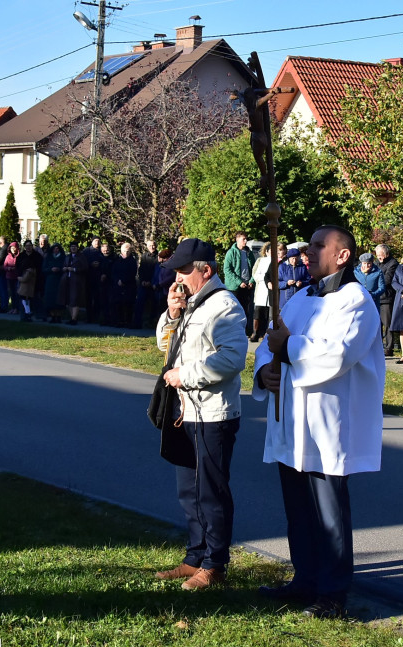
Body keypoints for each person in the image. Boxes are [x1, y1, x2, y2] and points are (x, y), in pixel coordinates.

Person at [253, 225, 385, 619]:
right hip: (292, 421)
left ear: (342, 255)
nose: (308, 251)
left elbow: (338, 355)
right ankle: (305, 579)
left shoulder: (356, 301)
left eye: (318, 245)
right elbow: (269, 341)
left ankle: (332, 593)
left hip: (328, 424)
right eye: (309, 245)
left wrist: (288, 348)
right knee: (298, 510)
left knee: (329, 516)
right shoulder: (300, 298)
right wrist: (265, 371)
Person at [154, 238, 248, 591]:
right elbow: (165, 346)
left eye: (182, 271)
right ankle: (194, 557)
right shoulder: (190, 303)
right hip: (185, 412)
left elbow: (231, 359)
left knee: (211, 492)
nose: (176, 279)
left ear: (205, 271)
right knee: (189, 492)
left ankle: (215, 565)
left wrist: (185, 375)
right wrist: (172, 314)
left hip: (213, 414)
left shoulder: (224, 306)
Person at [223, 231, 256, 335]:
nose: (245, 241)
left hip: (247, 286)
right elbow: (227, 270)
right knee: (234, 310)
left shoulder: (249, 253)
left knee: (246, 310)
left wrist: (251, 281)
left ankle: (244, 332)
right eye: (243, 239)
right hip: (234, 288)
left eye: (246, 239)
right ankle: (233, 332)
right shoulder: (231, 252)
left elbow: (254, 269)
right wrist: (239, 282)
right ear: (237, 239)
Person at [375, 244, 399, 357]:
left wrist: (375, 280)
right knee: (376, 324)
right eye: (377, 255)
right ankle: (378, 347)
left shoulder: (393, 263)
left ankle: (389, 348)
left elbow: (387, 279)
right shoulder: (376, 263)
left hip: (387, 297)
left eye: (381, 255)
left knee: (387, 324)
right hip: (376, 297)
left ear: (387, 254)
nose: (379, 257)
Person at [132, 239, 160, 329]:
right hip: (143, 284)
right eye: (150, 245)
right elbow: (141, 270)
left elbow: (158, 271)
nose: (152, 247)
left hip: (154, 285)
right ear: (147, 247)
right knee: (139, 303)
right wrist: (143, 281)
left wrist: (151, 282)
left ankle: (151, 324)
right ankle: (137, 324)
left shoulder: (159, 257)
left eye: (153, 245)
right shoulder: (144, 256)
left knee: (154, 305)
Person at [59, 241, 87, 325]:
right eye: (72, 247)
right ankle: (72, 317)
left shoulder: (81, 257)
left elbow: (85, 268)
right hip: (67, 280)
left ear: (77, 248)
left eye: (75, 246)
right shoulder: (68, 257)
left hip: (76, 281)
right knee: (68, 300)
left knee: (75, 299)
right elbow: (63, 266)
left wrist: (74, 269)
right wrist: (64, 268)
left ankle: (74, 318)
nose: (73, 248)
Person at [250, 242, 274, 342]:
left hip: (271, 291)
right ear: (267, 252)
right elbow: (255, 274)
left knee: (269, 314)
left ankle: (266, 333)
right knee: (258, 312)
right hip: (261, 289)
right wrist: (264, 279)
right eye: (270, 251)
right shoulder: (261, 261)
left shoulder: (277, 261)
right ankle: (255, 333)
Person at [15, 239, 41, 322]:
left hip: (34, 280)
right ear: (24, 247)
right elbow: (17, 267)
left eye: (30, 246)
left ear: (32, 246)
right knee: (23, 297)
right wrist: (19, 276)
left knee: (32, 298)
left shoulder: (37, 256)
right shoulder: (21, 256)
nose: (28, 247)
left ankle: (32, 314)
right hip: (23, 279)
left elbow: (39, 267)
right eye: (27, 246)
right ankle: (24, 315)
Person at [112, 242, 137, 326]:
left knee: (128, 304)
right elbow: (114, 272)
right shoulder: (117, 260)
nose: (126, 252)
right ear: (121, 251)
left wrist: (123, 281)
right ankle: (119, 321)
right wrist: (118, 280)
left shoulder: (132, 261)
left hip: (129, 285)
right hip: (118, 285)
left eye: (128, 251)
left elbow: (132, 273)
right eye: (125, 251)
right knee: (118, 303)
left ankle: (128, 321)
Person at [42, 243, 66, 323]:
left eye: (57, 248)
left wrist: (59, 269)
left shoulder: (63, 257)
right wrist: (51, 269)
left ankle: (59, 316)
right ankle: (52, 316)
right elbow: (44, 269)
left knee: (59, 299)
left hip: (60, 280)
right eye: (54, 248)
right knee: (50, 299)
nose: (56, 250)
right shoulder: (48, 257)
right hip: (50, 280)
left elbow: (65, 267)